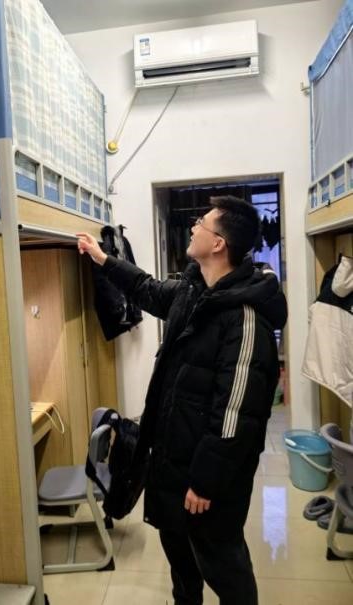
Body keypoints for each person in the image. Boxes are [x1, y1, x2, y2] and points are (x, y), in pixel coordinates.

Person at [77, 195, 287, 605]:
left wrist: (206, 481)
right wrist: (102, 259)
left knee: (223, 566)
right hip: (174, 463)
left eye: (201, 223)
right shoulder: (193, 292)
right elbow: (147, 289)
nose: (193, 227)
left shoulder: (244, 319)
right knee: (181, 564)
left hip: (209, 481)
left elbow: (234, 415)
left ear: (219, 244)